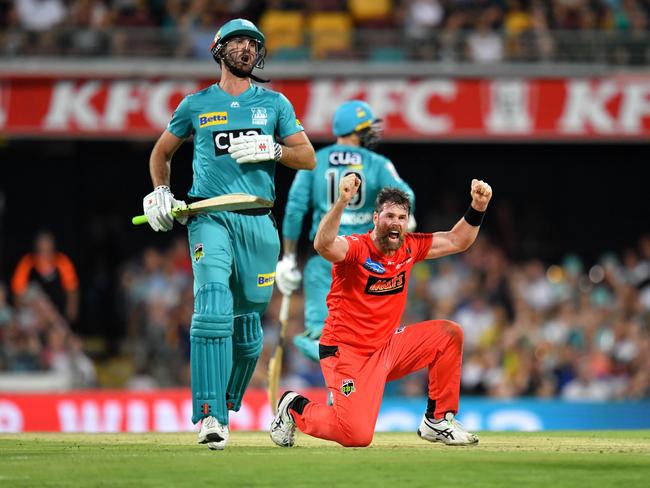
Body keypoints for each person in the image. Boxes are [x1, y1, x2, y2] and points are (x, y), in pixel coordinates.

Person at [143, 18, 316, 451]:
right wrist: (161, 191)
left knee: (247, 328)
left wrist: (273, 149)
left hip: (259, 222)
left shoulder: (274, 104)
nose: (246, 48)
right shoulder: (196, 104)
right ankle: (209, 417)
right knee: (213, 303)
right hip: (209, 218)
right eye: (237, 42)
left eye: (253, 43)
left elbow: (308, 157)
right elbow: (162, 152)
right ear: (219, 50)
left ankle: (225, 403)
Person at [270, 174, 492, 448]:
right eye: (389, 216)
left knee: (448, 334)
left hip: (387, 347)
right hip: (346, 353)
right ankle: (293, 406)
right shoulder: (356, 249)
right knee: (357, 436)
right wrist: (342, 201)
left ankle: (437, 420)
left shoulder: (410, 246)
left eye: (401, 217)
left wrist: (478, 206)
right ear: (375, 218)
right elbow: (323, 245)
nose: (395, 222)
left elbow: (458, 240)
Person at [275, 100, 415, 365]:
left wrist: (290, 257)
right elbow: (407, 196)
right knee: (359, 340)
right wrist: (409, 218)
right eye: (366, 127)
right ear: (355, 130)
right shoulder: (376, 163)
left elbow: (294, 209)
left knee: (322, 329)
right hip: (365, 261)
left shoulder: (315, 161)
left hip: (325, 257)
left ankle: (319, 340)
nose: (371, 132)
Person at [11, 230, 79, 325]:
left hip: (57, 312)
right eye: (41, 250)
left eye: (47, 250)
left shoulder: (62, 262)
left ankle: (60, 328)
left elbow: (72, 290)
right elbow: (17, 293)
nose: (44, 254)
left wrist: (71, 315)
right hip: (32, 315)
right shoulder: (27, 263)